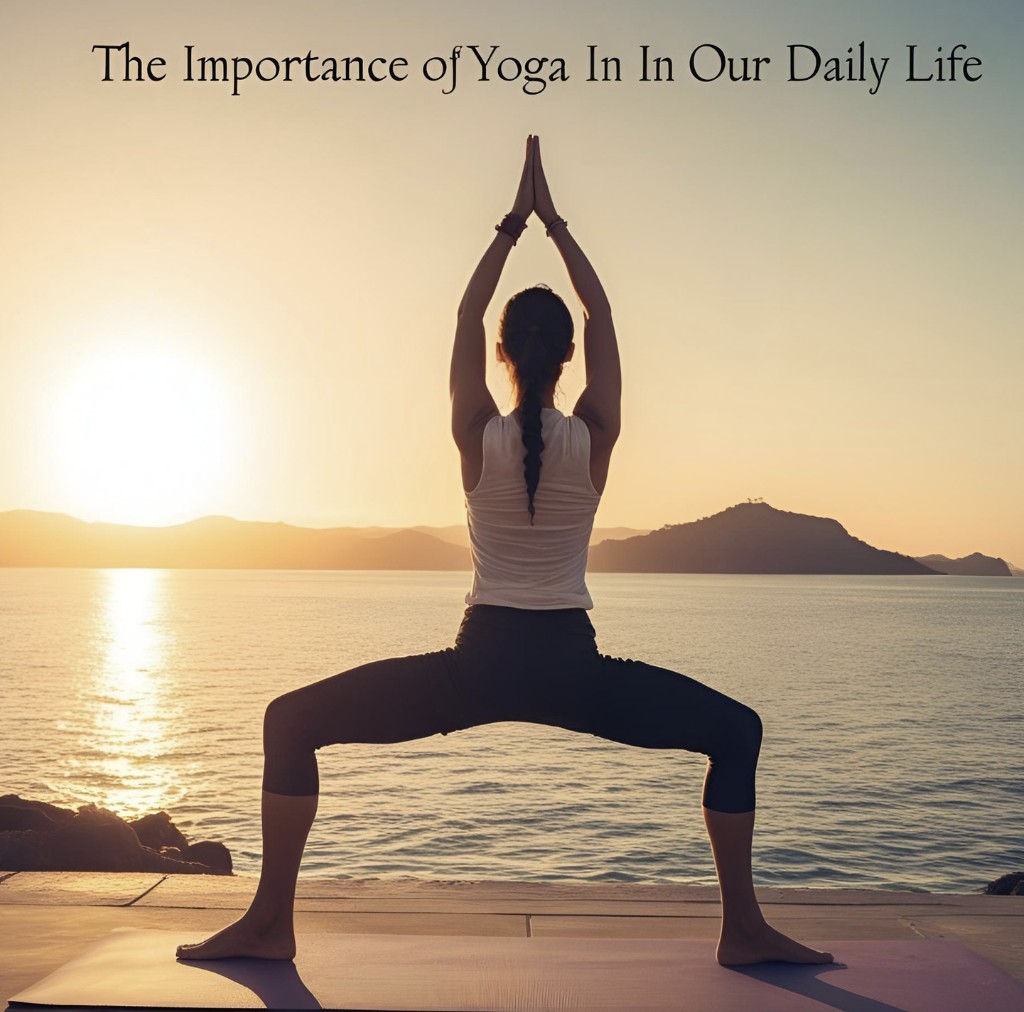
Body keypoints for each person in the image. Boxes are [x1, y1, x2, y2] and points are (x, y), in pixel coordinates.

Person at [178, 136, 833, 967]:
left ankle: (270, 924)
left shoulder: (473, 435)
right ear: (566, 359)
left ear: (500, 354)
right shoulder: (595, 435)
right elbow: (604, 317)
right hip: (573, 668)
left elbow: (462, 317)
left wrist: (508, 226)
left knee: (289, 723)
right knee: (737, 733)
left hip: (477, 665)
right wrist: (556, 225)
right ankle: (742, 931)